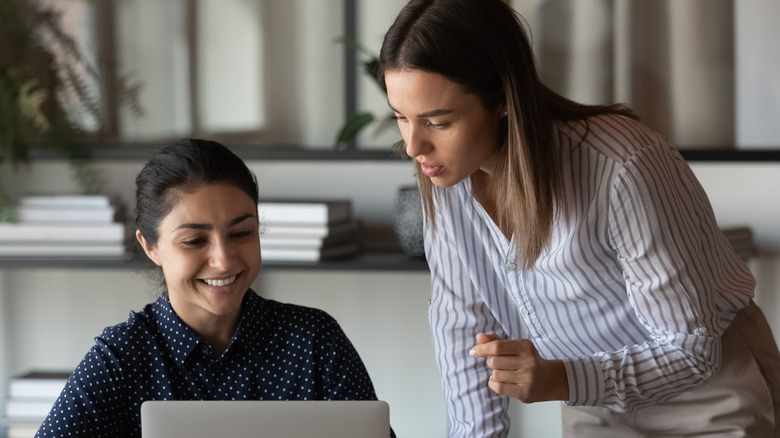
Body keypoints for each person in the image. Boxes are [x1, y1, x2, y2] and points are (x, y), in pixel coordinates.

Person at [378, 0, 780, 436]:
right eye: (401, 117)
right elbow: (463, 334)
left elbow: (694, 351)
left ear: (502, 101)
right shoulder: (445, 181)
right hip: (592, 402)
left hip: (711, 393)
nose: (414, 147)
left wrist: (562, 379)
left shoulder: (622, 164)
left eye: (438, 122)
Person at [35, 139, 386, 437]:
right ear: (150, 246)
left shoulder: (314, 341)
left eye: (240, 233)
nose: (223, 260)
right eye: (194, 240)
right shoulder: (122, 359)